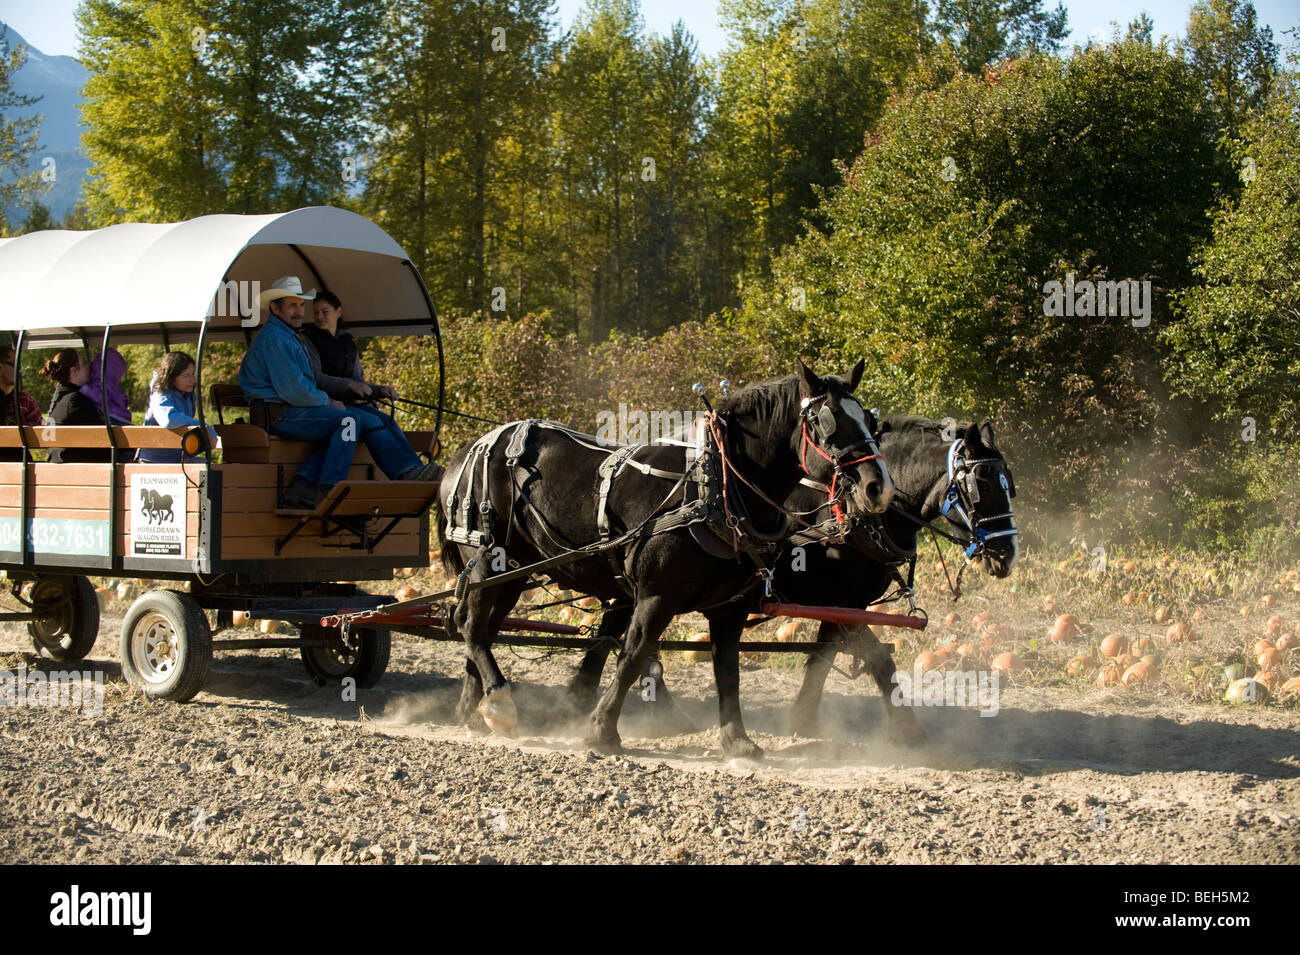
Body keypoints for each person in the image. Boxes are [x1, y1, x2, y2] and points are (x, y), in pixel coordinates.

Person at [238, 276, 440, 509]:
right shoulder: (275, 339)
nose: (299, 311)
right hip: (279, 414)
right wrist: (328, 402)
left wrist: (371, 391)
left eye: (301, 305)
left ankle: (306, 485)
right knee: (349, 423)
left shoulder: (287, 336)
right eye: (292, 305)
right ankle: (329, 489)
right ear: (275, 307)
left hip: (293, 409)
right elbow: (295, 391)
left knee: (367, 421)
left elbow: (306, 385)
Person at [137, 351, 218, 464]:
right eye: (186, 376)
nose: (192, 380)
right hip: (153, 461)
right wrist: (202, 426)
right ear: (172, 376)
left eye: (193, 374)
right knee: (207, 471)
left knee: (214, 470)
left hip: (177, 459)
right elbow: (168, 419)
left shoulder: (187, 396)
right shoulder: (160, 394)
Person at [40, 349, 111, 463]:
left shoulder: (58, 398)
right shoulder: (77, 401)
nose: (87, 369)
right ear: (73, 371)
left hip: (56, 465)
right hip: (76, 470)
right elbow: (102, 439)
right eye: (83, 365)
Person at [80, 347, 131, 426]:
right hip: (120, 417)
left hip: (112, 417)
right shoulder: (111, 385)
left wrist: (84, 389)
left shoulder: (103, 382)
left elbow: (99, 396)